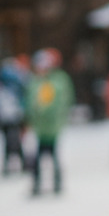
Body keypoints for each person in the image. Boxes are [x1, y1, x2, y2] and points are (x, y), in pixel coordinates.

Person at [26, 48, 73, 196]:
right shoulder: (36, 81)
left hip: (52, 126)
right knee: (40, 156)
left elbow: (62, 102)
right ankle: (37, 184)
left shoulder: (58, 81)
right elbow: (30, 102)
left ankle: (56, 182)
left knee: (52, 155)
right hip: (40, 127)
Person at [0, 57, 28, 175]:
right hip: (14, 115)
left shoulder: (1, 84)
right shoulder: (18, 82)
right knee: (15, 141)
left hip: (7, 116)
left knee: (9, 141)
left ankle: (9, 165)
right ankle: (19, 163)